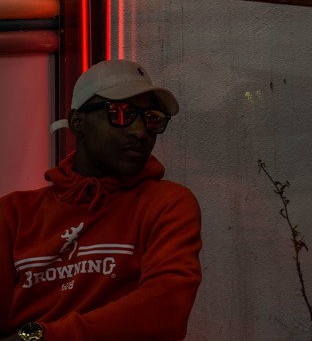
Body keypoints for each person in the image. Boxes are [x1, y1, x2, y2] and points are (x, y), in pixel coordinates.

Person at [0, 60, 202, 341]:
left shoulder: (167, 204)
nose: (140, 131)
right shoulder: (14, 214)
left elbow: (165, 310)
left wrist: (40, 336)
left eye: (152, 119)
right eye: (121, 113)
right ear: (77, 122)